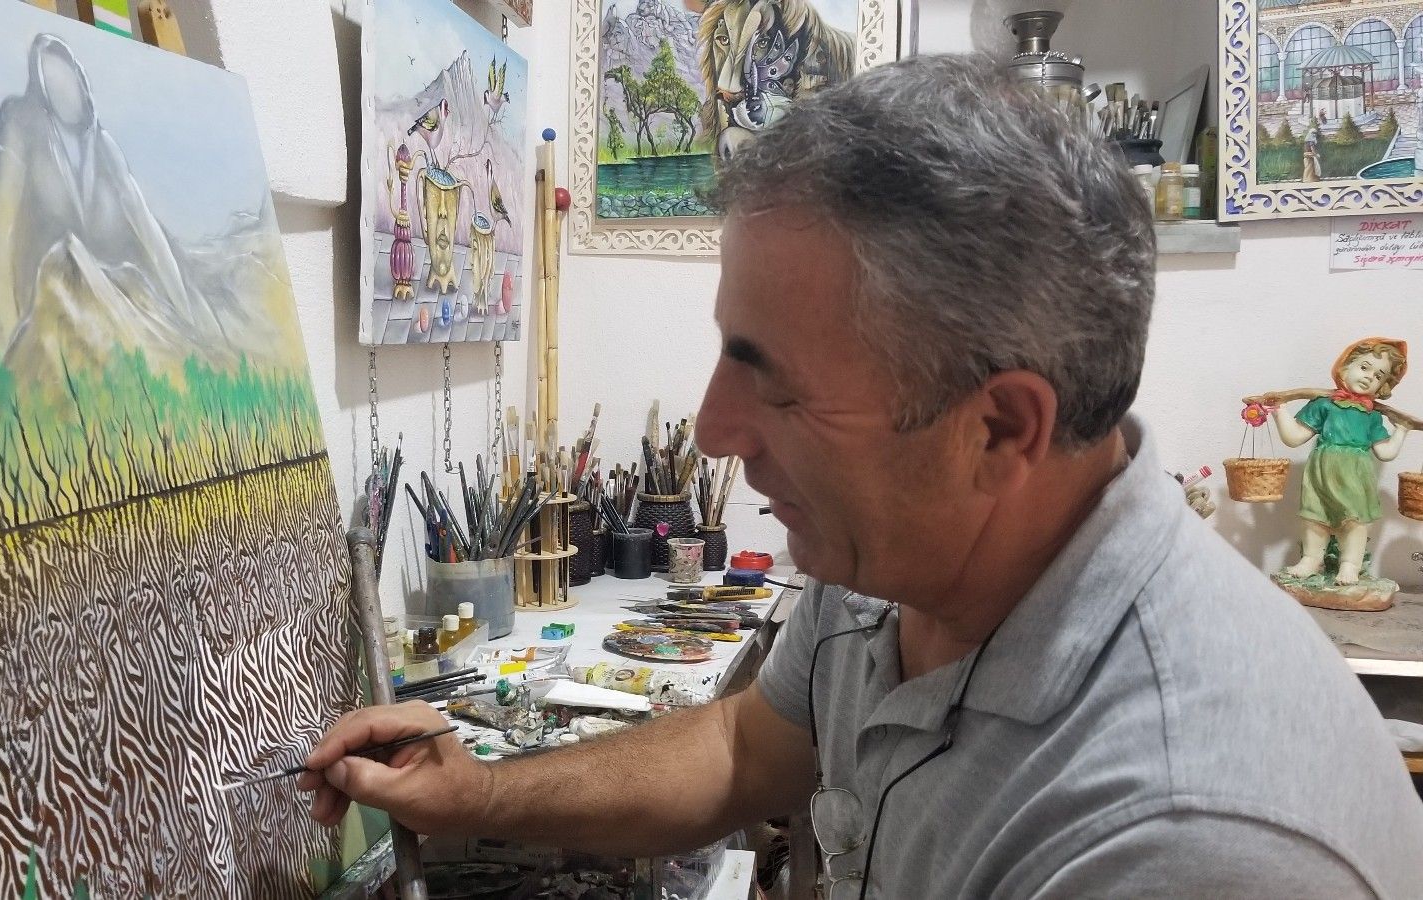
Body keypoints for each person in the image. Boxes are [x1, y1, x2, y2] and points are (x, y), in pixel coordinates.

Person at [300, 55, 1423, 897]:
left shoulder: (1185, 843)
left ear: (997, 430)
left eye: (776, 384)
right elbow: (747, 747)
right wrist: (481, 792)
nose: (714, 429)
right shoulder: (896, 554)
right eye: (728, 353)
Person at [1264, 339, 1411, 585]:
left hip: (1355, 475)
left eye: (1378, 375)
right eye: (1364, 367)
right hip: (1320, 473)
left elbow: (1385, 452)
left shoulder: (1371, 416)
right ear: (1345, 366)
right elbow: (1294, 437)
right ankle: (1311, 560)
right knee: (1314, 516)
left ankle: (1350, 565)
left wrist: (1402, 431)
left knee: (1354, 521)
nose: (1369, 376)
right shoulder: (1323, 404)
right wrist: (1279, 411)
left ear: (1383, 385)